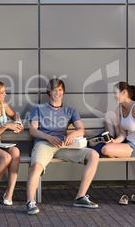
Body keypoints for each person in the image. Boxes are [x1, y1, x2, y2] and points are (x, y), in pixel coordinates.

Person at [26, 78, 99, 215]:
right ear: (49, 92)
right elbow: (33, 130)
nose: (57, 93)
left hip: (63, 145)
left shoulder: (70, 111)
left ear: (63, 92)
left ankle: (80, 197)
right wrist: (48, 137)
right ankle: (30, 202)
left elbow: (81, 129)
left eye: (60, 90)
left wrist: (74, 134)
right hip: (44, 144)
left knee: (93, 155)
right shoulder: (38, 109)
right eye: (54, 89)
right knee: (36, 166)